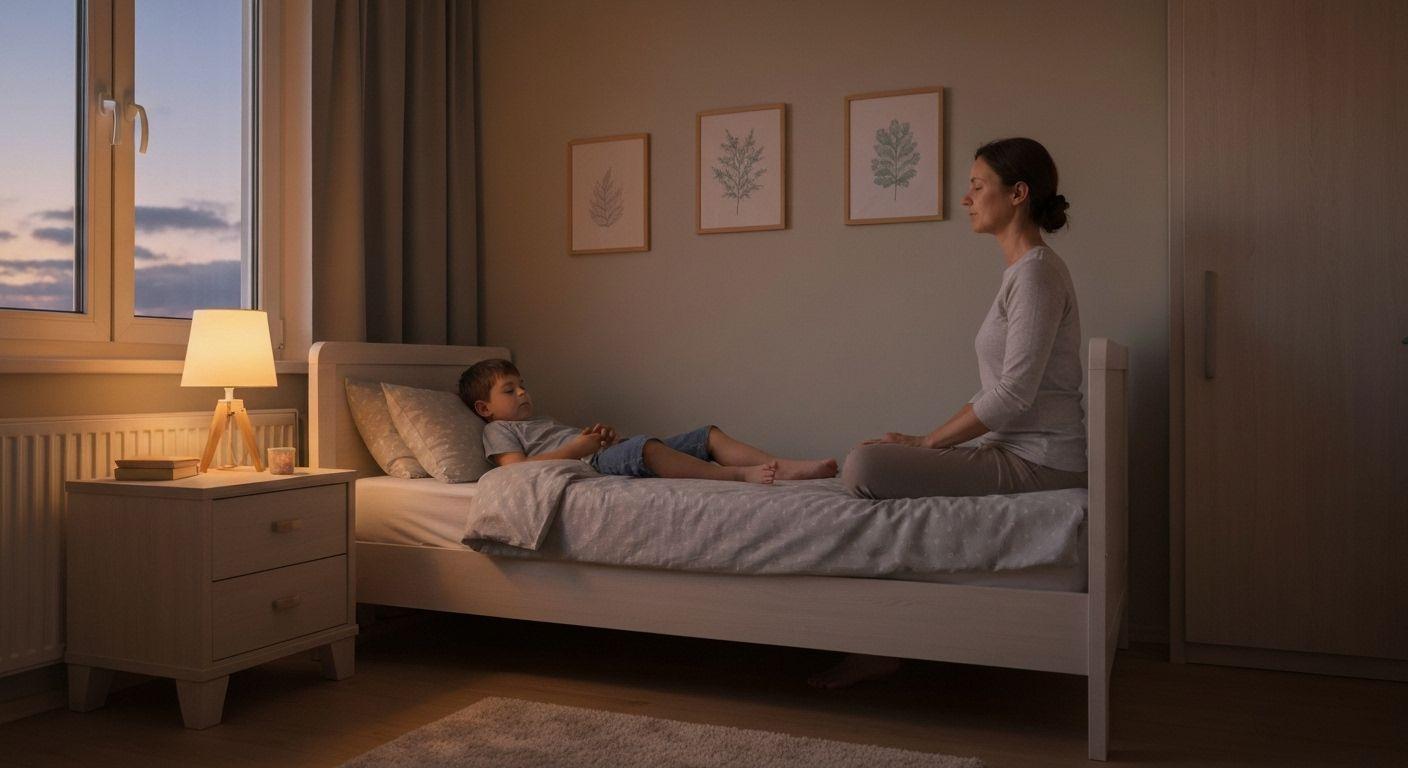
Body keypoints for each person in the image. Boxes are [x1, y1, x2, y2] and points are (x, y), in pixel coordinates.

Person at [813, 137, 1088, 689]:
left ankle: (877, 643)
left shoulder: (1036, 274)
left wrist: (926, 445)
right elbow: (1006, 392)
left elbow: (1013, 394)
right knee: (872, 460)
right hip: (1019, 452)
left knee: (865, 464)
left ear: (1017, 193)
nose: (967, 198)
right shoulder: (1024, 273)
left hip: (1039, 462)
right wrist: (927, 444)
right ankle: (880, 639)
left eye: (978, 186)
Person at [460, 358, 837, 483]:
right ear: (484, 408)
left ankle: (781, 466)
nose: (522, 393)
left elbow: (576, 445)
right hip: (593, 464)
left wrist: (600, 437)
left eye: (522, 386)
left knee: (706, 435)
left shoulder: (539, 420)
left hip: (601, 453)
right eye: (509, 390)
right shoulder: (498, 430)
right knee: (646, 449)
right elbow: (514, 470)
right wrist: (578, 448)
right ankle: (735, 476)